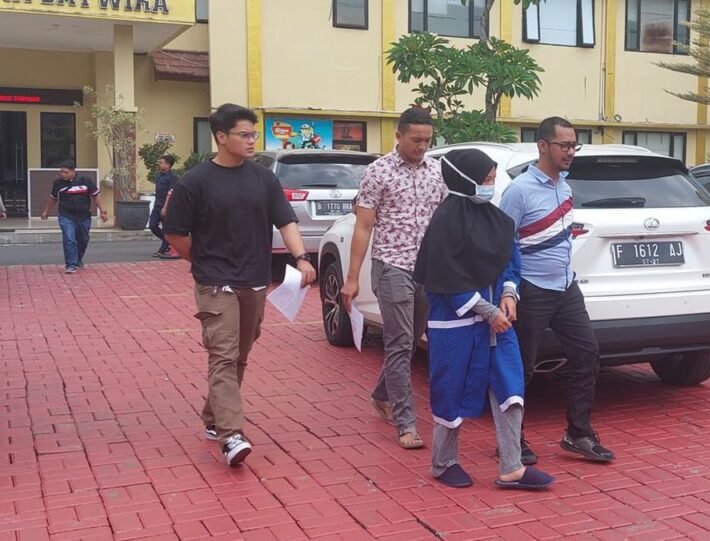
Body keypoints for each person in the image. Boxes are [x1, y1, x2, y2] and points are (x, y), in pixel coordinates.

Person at [163, 104, 317, 467]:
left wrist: (301, 258)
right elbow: (175, 234)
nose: (251, 141)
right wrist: (203, 262)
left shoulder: (264, 179)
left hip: (255, 280)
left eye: (253, 134)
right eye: (244, 135)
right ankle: (231, 435)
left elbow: (286, 221)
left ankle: (213, 416)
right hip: (215, 284)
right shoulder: (195, 182)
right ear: (221, 137)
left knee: (239, 356)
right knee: (223, 355)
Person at [414, 148, 555, 490]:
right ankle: (444, 462)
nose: (490, 186)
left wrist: (508, 293)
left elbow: (509, 258)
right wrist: (486, 310)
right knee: (451, 391)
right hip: (457, 326)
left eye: (492, 179)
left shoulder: (496, 220)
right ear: (465, 180)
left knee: (510, 386)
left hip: (497, 324)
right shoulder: (445, 223)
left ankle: (512, 467)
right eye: (485, 180)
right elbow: (445, 278)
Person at [499, 117, 615, 464]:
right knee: (521, 367)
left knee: (587, 354)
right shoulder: (519, 191)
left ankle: (578, 433)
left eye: (574, 145)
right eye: (564, 145)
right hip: (531, 288)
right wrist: (508, 290)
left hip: (566, 286)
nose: (570, 152)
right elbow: (503, 244)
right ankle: (511, 440)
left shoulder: (564, 186)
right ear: (542, 146)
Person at [341, 107, 447, 450]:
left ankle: (381, 394)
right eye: (415, 139)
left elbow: (445, 219)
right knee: (400, 342)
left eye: (427, 140)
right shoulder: (378, 172)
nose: (422, 146)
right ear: (398, 136)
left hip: (427, 269)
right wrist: (352, 278)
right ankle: (406, 423)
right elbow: (363, 226)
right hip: (391, 266)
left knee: (411, 340)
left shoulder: (437, 170)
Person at [40, 160, 108, 274]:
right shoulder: (57, 183)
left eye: (65, 172)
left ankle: (78, 259)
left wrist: (102, 211)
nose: (62, 174)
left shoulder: (85, 180)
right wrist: (46, 211)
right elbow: (53, 198)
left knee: (83, 239)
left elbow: (95, 195)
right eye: (61, 172)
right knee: (69, 238)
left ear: (73, 171)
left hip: (83, 215)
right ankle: (71, 265)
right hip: (66, 215)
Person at [149, 154, 179, 258]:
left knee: (166, 229)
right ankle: (167, 242)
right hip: (157, 205)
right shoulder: (160, 176)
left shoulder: (172, 178)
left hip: (167, 206)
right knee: (152, 225)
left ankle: (162, 249)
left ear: (168, 165)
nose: (159, 164)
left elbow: (170, 194)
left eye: (161, 163)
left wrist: (165, 207)